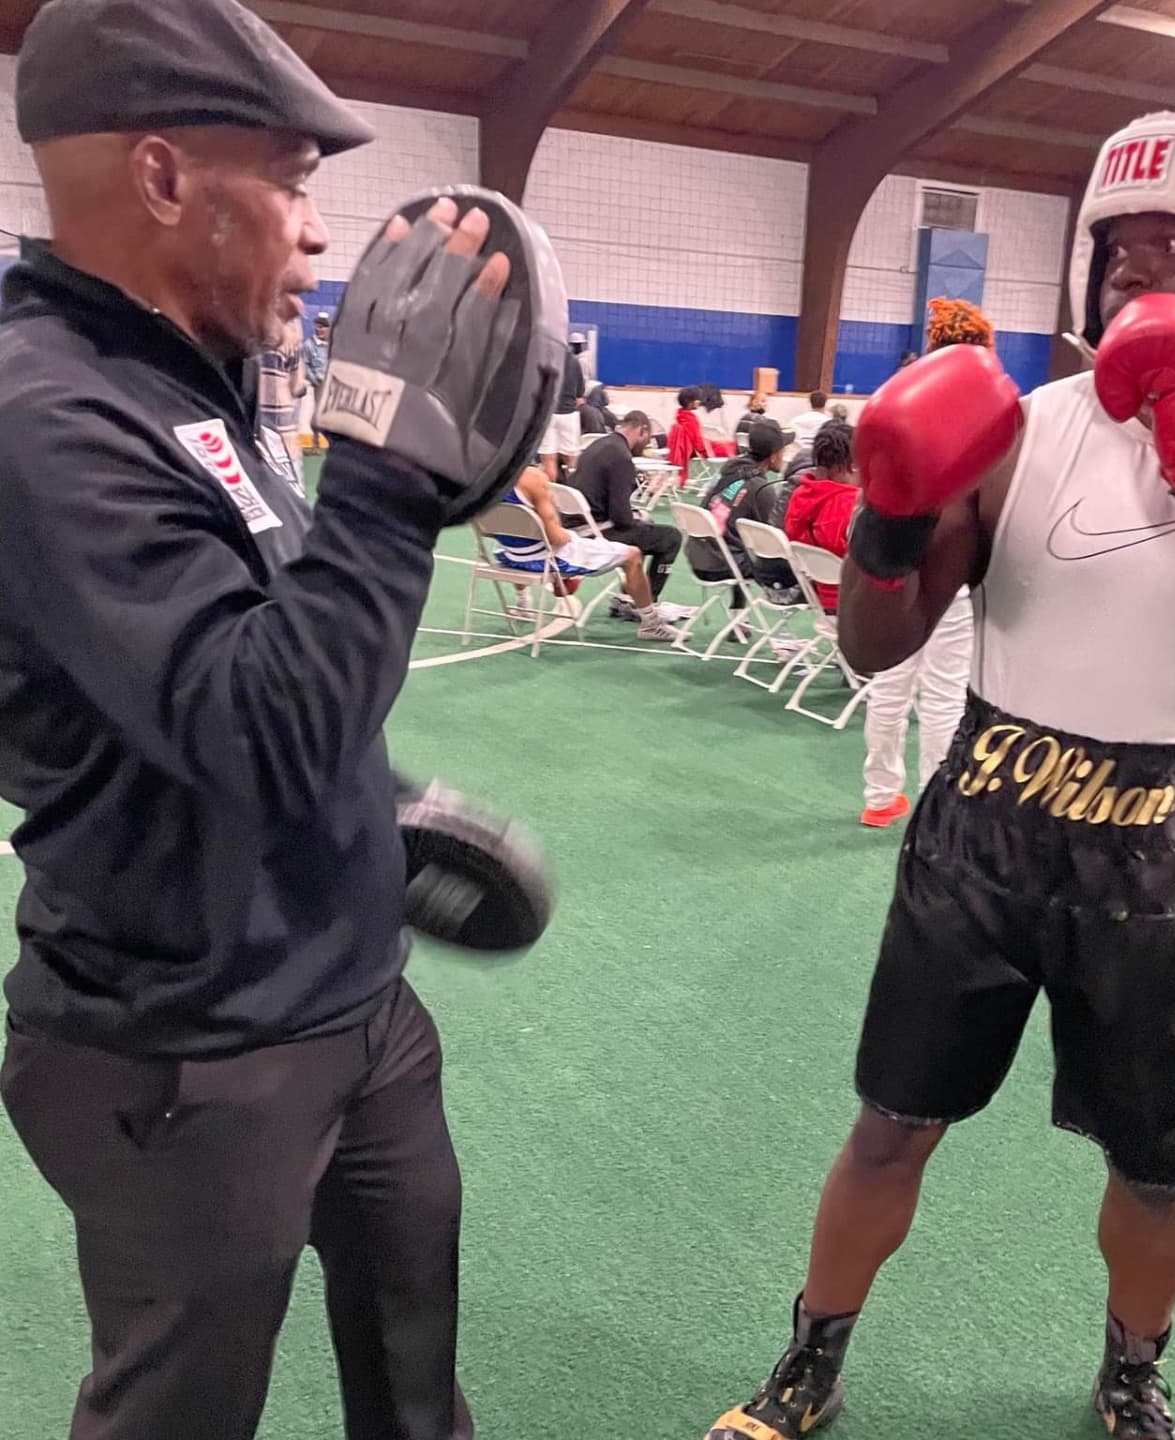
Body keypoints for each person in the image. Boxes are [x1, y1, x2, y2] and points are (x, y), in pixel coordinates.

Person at [704, 108, 1175, 1440]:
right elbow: (874, 643)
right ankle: (809, 1361)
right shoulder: (1015, 427)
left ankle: (1133, 1372)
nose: (1132, 270)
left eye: (1168, 242)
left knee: (1153, 1172)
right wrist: (895, 511)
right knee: (892, 1121)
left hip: (1163, 843)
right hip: (986, 823)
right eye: (1116, 245)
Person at [0, 3, 559, 1437]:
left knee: (418, 1389)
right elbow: (259, 728)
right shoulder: (41, 415)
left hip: (355, 1009)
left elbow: (265, 661)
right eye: (294, 184)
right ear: (165, 178)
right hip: (183, 1058)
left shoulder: (199, 383)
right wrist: (383, 471)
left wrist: (382, 811)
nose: (320, 234)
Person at [856, 299, 991, 831]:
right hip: (952, 567)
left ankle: (879, 795)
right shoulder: (989, 409)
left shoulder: (896, 397)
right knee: (944, 691)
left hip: (890, 558)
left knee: (890, 684)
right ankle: (937, 808)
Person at [493, 467, 679, 641]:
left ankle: (523, 602)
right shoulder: (532, 478)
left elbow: (486, 530)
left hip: (508, 556)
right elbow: (557, 538)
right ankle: (650, 623)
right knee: (632, 555)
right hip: (547, 559)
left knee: (517, 537)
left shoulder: (480, 479)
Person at [571, 410, 685, 621]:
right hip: (595, 534)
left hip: (577, 526)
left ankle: (627, 594)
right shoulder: (621, 458)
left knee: (644, 527)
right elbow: (622, 518)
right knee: (671, 537)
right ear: (642, 430)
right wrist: (636, 518)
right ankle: (646, 603)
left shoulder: (596, 445)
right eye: (647, 439)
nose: (646, 446)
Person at [686, 417, 800, 607]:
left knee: (740, 544)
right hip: (720, 564)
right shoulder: (760, 489)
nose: (785, 455)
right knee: (775, 558)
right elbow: (777, 537)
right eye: (783, 450)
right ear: (773, 455)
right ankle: (784, 604)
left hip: (698, 555)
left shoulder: (728, 471)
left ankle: (739, 617)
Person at [783, 420, 860, 612]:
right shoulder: (849, 505)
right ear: (845, 466)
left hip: (817, 592)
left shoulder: (800, 495)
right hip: (850, 601)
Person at [257, 314, 306, 471]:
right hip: (281, 435)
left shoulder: (240, 328)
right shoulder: (291, 330)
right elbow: (297, 387)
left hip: (245, 436)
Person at [539, 331, 587, 481]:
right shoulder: (574, 362)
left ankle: (552, 495)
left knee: (548, 460)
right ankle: (573, 490)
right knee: (572, 460)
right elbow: (580, 393)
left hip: (548, 415)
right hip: (569, 415)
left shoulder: (545, 360)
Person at [299, 308, 330, 448]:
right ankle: (312, 442)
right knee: (312, 413)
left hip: (328, 385)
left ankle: (325, 441)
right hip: (314, 385)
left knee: (327, 415)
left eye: (324, 326)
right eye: (319, 326)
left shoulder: (331, 345)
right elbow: (304, 365)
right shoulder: (308, 345)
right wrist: (314, 379)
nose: (321, 329)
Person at [667, 385, 711, 478]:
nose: (700, 401)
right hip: (694, 452)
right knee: (728, 447)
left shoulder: (679, 417)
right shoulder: (691, 420)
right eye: (698, 399)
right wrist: (707, 454)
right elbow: (699, 444)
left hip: (683, 452)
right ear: (691, 402)